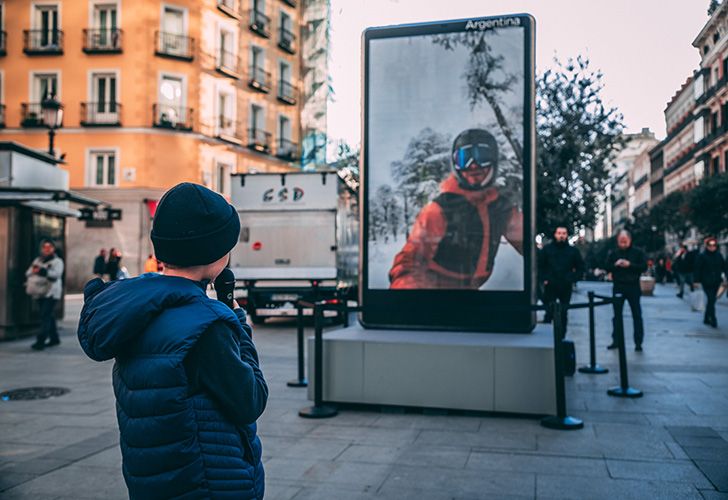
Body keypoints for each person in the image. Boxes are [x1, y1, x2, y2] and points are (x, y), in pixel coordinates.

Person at [77, 183, 268, 499]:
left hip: (155, 477)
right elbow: (250, 401)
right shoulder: (207, 325)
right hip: (209, 480)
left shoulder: (137, 307)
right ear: (216, 254)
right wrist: (239, 326)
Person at [389, 128, 523, 289]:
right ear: (455, 164)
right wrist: (408, 296)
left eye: (482, 156)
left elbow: (527, 244)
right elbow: (409, 260)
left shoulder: (501, 209)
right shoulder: (440, 210)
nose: (473, 165)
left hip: (470, 292)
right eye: (464, 158)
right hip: (436, 293)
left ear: (494, 160)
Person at [605, 230, 648, 352]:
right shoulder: (613, 253)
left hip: (633, 286)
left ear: (629, 240)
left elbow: (643, 267)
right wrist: (616, 265)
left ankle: (638, 342)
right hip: (618, 285)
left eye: (625, 241)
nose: (623, 244)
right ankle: (616, 340)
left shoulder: (637, 252)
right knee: (617, 315)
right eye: (621, 241)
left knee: (637, 315)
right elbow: (606, 266)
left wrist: (630, 265)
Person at [538, 225, 585, 333]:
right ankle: (546, 335)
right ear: (555, 235)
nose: (561, 236)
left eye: (564, 233)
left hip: (565, 285)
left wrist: (572, 279)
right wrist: (545, 279)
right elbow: (540, 266)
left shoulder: (573, 251)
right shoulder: (547, 250)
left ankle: (562, 336)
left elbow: (581, 267)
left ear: (567, 235)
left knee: (564, 312)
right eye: (559, 233)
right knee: (549, 312)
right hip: (551, 285)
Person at [26, 240, 65, 351]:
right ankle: (54, 338)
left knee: (45, 315)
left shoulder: (57, 261)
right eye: (45, 247)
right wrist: (35, 270)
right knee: (48, 315)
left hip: (51, 292)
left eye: (49, 247)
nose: (47, 249)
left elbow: (57, 275)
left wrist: (43, 271)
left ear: (53, 248)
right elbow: (28, 272)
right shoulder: (38, 260)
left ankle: (41, 340)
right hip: (39, 291)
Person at [694, 237, 727, 328]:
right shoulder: (702, 256)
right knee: (711, 299)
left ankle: (706, 317)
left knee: (712, 300)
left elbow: (724, 267)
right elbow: (697, 269)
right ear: (707, 246)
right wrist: (696, 280)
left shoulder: (719, 255)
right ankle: (713, 318)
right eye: (710, 245)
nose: (712, 247)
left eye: (714, 245)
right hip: (706, 281)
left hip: (716, 281)